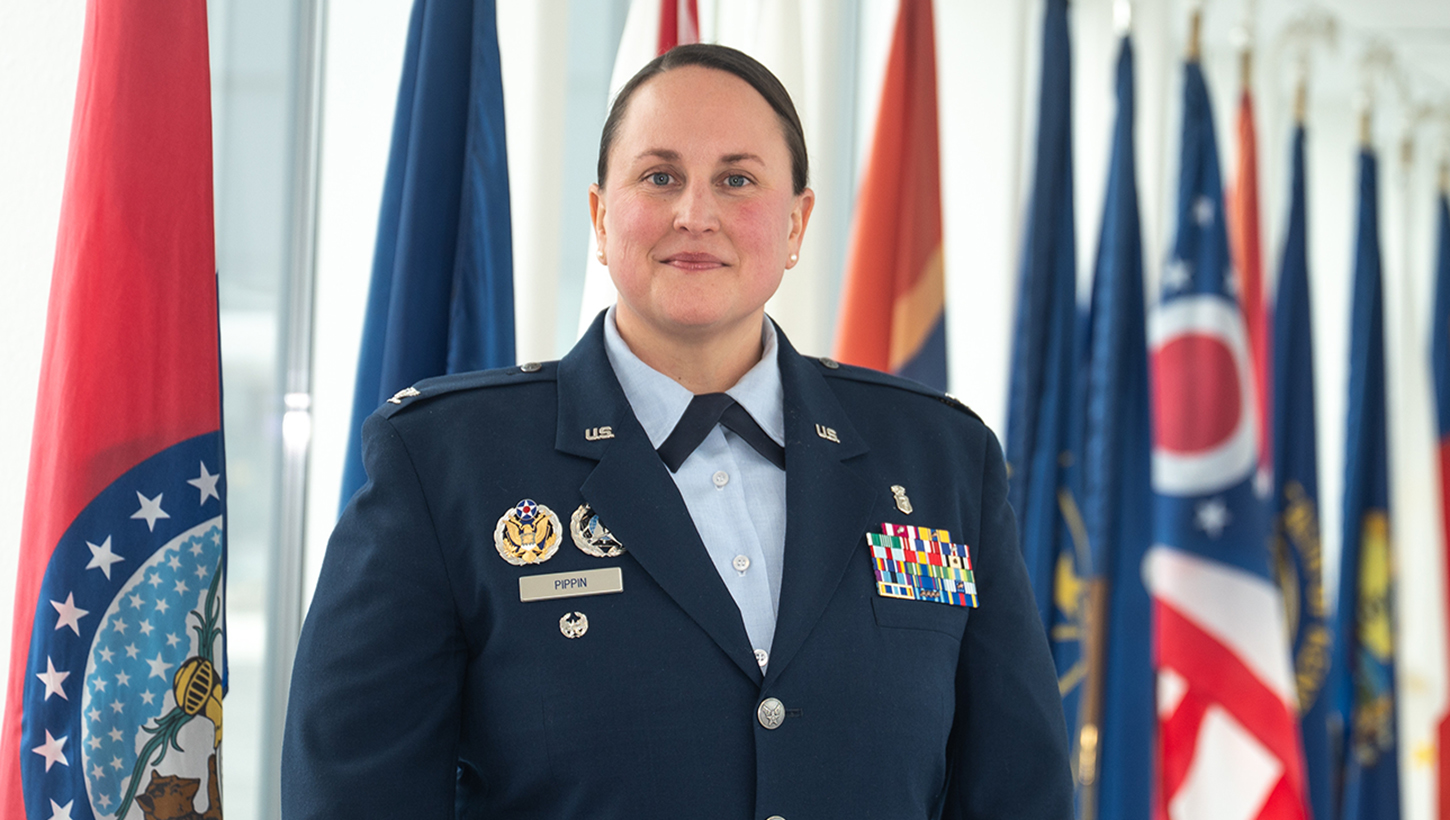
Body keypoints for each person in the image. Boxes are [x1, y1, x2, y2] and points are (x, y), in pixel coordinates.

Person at [282, 44, 1071, 819]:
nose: (695, 215)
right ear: (600, 216)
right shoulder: (444, 463)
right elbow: (356, 798)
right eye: (660, 177)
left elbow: (1020, 792)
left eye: (737, 180)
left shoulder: (943, 459)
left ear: (797, 223)